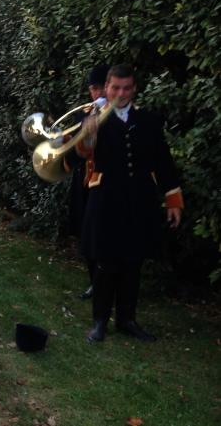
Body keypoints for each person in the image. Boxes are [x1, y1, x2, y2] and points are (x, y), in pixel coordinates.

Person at [78, 64, 183, 343]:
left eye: (126, 88)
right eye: (115, 88)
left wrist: (173, 198)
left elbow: (163, 161)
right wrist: (87, 136)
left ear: (134, 89)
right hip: (106, 200)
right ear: (107, 88)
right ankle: (100, 321)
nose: (121, 93)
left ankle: (127, 320)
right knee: (105, 261)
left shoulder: (148, 120)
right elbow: (80, 154)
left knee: (133, 261)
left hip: (140, 199)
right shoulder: (93, 118)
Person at [64, 64, 109, 300]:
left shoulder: (116, 116)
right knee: (86, 236)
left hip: (107, 185)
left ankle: (108, 284)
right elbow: (72, 154)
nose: (98, 94)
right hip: (84, 183)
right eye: (94, 89)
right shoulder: (84, 114)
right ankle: (95, 282)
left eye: (102, 88)